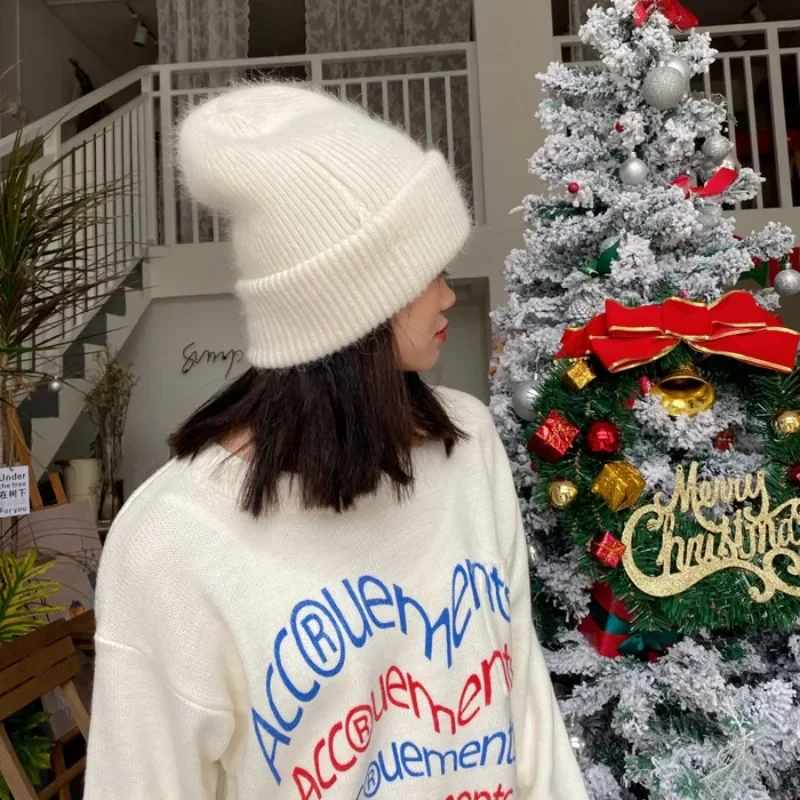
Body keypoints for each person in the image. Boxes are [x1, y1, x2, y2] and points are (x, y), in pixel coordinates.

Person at [83, 82, 588, 800]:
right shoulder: (174, 541)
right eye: (426, 273)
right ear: (350, 305)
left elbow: (525, 705)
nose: (448, 295)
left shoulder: (468, 443)